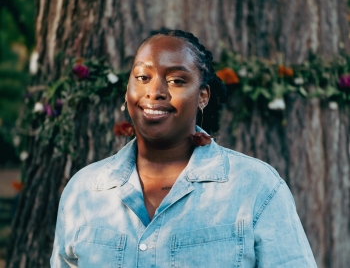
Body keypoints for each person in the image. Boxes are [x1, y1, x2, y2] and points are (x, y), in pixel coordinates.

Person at [51, 30, 317, 267]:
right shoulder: (83, 191)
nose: (154, 92)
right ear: (128, 90)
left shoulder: (256, 187)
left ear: (202, 96)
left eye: (177, 80)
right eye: (143, 77)